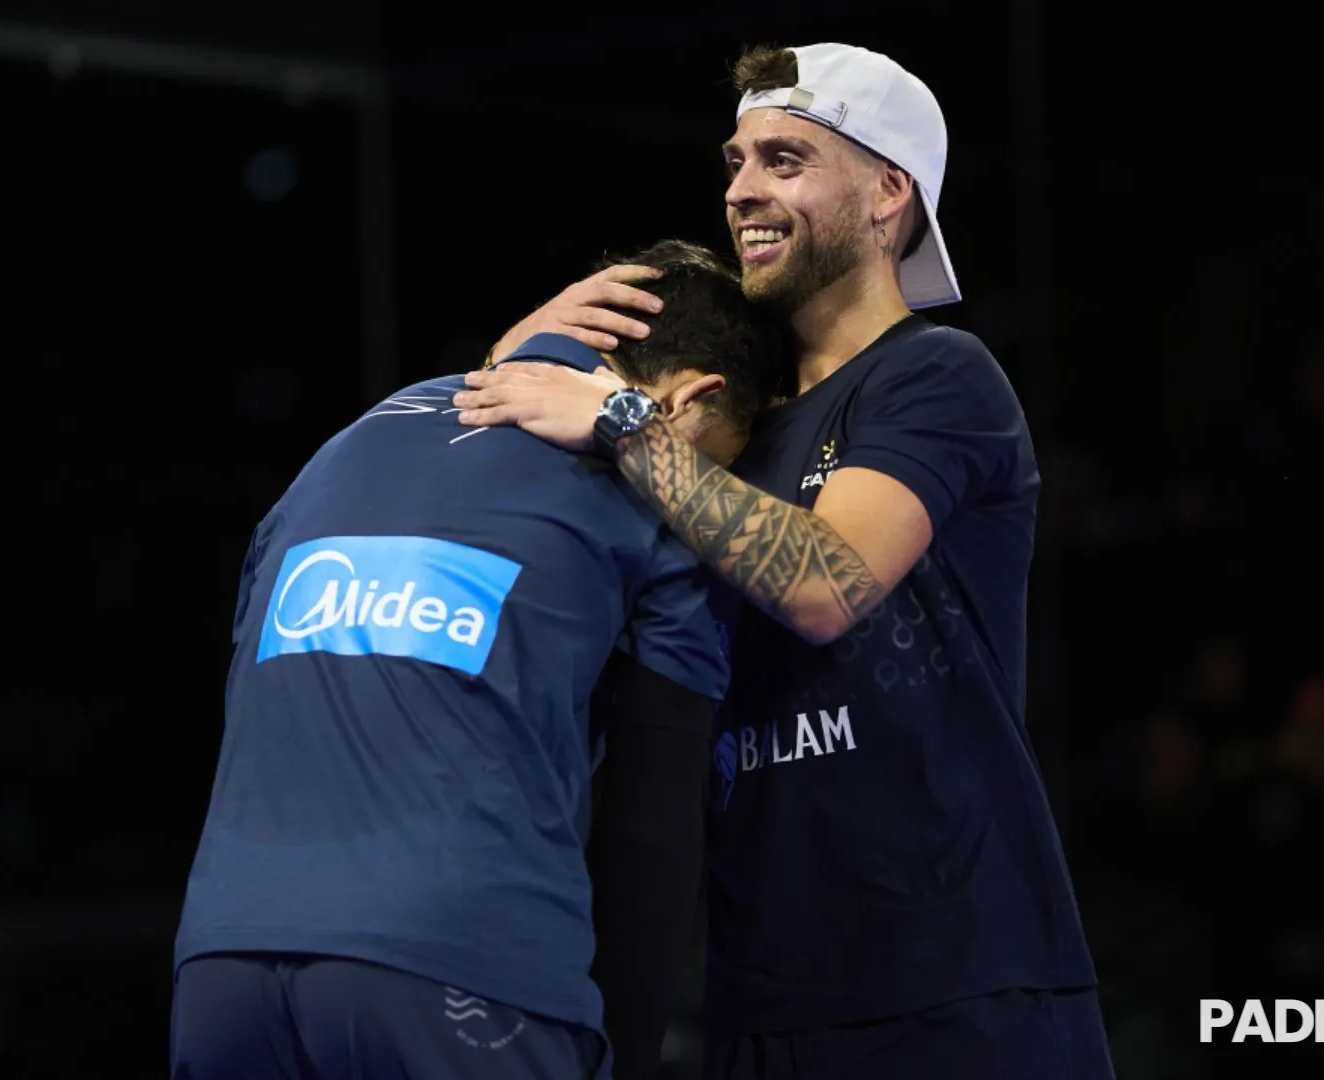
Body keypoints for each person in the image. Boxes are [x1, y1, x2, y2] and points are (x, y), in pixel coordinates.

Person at [454, 43, 1116, 1080]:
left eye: (786, 159)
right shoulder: (722, 425)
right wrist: (526, 346)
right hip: (760, 993)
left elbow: (823, 584)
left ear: (889, 193)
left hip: (953, 982)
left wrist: (624, 417)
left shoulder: (936, 377)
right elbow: (487, 445)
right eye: (735, 160)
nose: (743, 191)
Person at [171, 239, 788, 1080]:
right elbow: (652, 832)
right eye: (721, 456)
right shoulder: (648, 497)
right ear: (689, 403)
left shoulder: (342, 448)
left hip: (219, 971)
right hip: (464, 975)